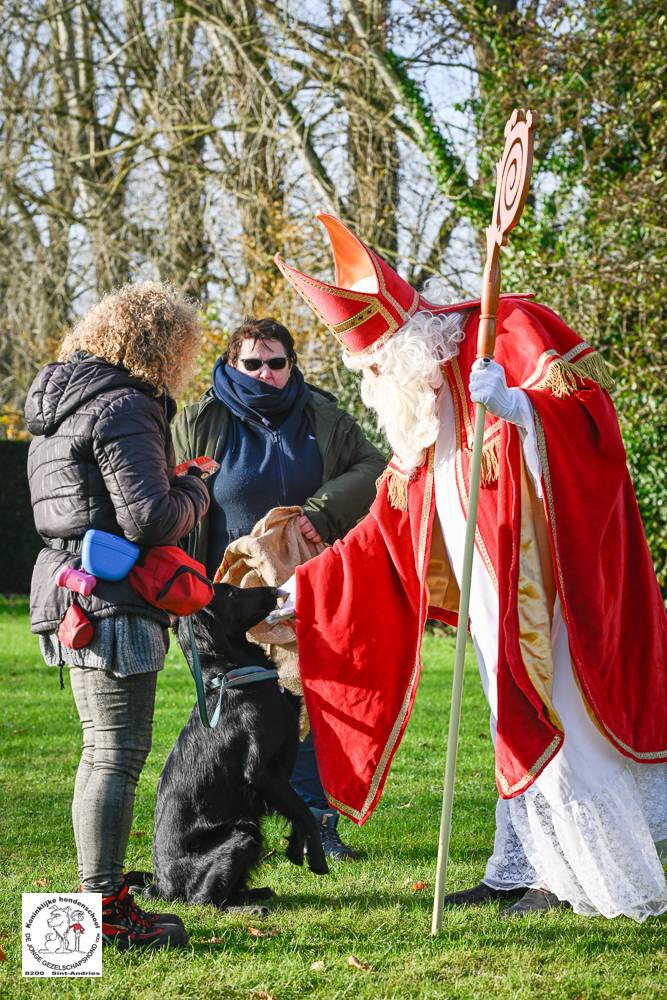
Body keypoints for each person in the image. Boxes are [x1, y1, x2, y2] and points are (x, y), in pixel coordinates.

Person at [274, 213, 667, 920]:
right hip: (491, 599)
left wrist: (516, 406)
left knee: (553, 716)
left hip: (551, 590)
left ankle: (567, 879)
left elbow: (592, 428)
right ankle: (513, 868)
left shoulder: (505, 329)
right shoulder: (418, 402)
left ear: (404, 345)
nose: (368, 381)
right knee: (507, 718)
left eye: (372, 366)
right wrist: (302, 585)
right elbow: (391, 520)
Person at [25, 282, 211, 949]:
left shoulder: (59, 404)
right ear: (163, 345)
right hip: (111, 601)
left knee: (99, 752)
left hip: (66, 591)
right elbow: (150, 517)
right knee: (112, 754)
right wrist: (193, 486)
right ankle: (100, 913)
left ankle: (96, 907)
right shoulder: (126, 405)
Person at [172, 316, 386, 860]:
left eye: (276, 362)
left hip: (311, 591)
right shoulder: (199, 420)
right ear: (230, 364)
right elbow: (165, 491)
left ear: (291, 364)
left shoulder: (321, 414)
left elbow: (374, 467)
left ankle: (315, 825)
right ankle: (235, 823)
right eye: (253, 363)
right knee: (234, 712)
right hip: (220, 600)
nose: (266, 373)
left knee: (316, 704)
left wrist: (323, 510)